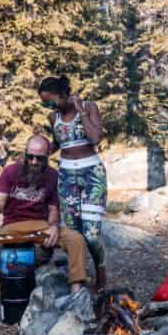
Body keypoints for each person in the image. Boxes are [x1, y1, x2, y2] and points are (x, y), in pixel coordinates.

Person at [0, 134, 88, 293]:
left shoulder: (53, 176)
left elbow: (54, 208)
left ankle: (76, 291)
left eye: (39, 158)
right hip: (13, 226)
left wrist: (53, 226)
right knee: (0, 250)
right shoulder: (10, 171)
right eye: (30, 156)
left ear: (47, 156)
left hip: (41, 226)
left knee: (76, 239)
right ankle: (12, 287)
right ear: (25, 153)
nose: (34, 162)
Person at [37, 75, 108, 290]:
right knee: (74, 234)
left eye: (50, 101)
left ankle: (101, 273)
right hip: (67, 176)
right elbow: (59, 143)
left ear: (62, 93)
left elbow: (95, 138)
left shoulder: (88, 106)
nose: (48, 106)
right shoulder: (53, 117)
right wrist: (38, 152)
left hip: (92, 175)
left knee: (92, 236)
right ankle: (78, 276)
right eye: (44, 103)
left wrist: (82, 111)